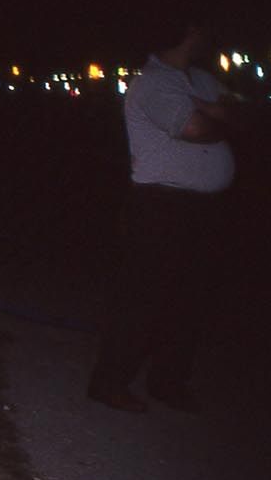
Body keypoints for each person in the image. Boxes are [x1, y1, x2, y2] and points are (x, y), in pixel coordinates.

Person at [87, 22, 237, 413]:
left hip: (203, 208)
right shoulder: (153, 82)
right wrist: (217, 114)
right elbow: (196, 129)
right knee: (142, 298)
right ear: (190, 32)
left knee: (191, 299)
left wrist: (218, 110)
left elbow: (239, 109)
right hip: (161, 206)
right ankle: (110, 381)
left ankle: (169, 382)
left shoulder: (202, 78)